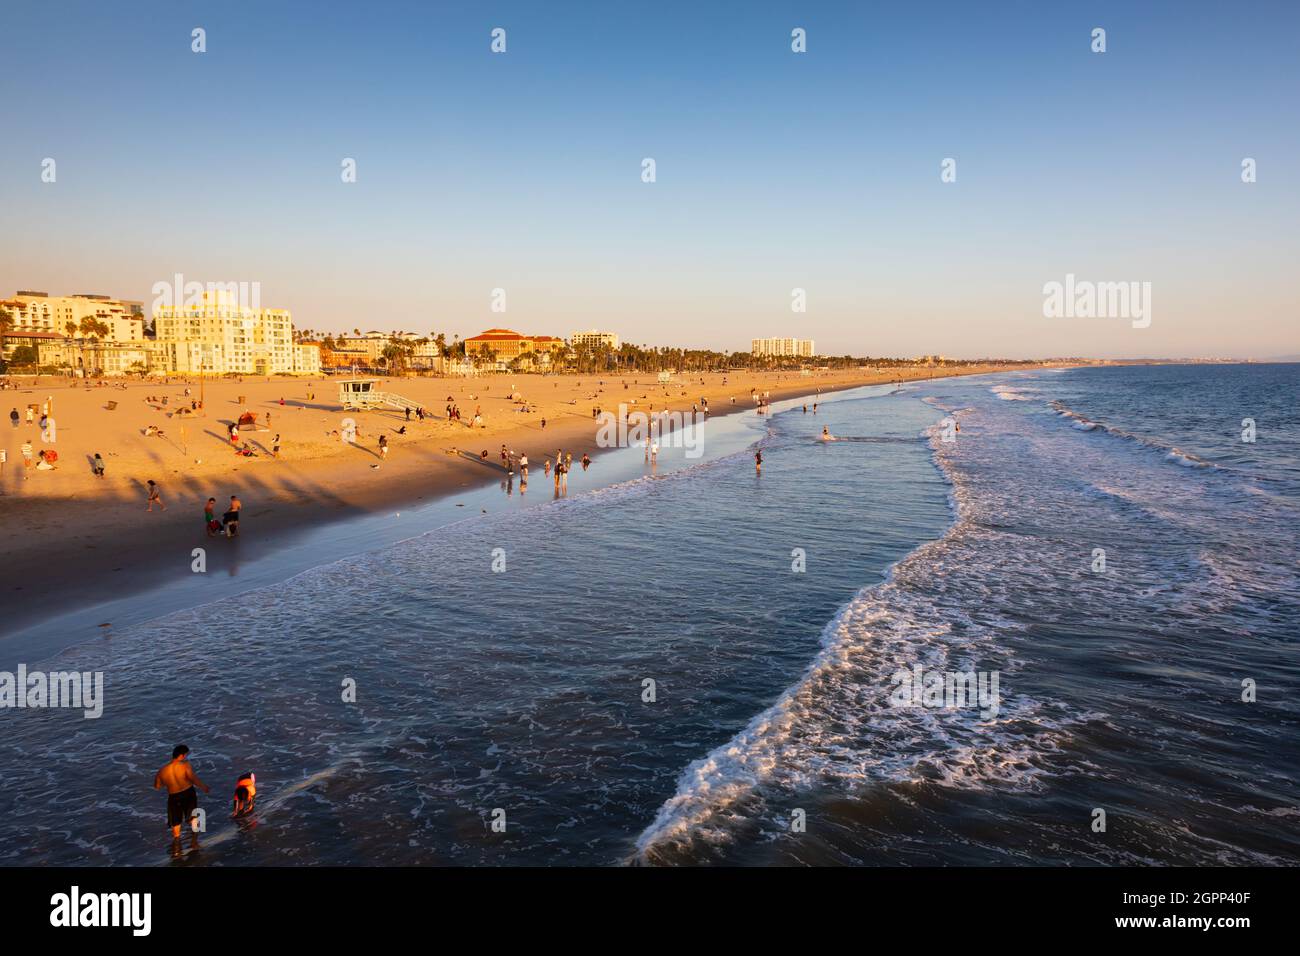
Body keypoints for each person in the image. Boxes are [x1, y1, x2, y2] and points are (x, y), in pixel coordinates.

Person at [153, 744, 210, 840]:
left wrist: (168, 782)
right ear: (182, 755)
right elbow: (192, 778)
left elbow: (157, 786)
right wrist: (203, 787)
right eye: (185, 755)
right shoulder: (185, 765)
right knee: (193, 817)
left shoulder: (162, 771)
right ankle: (195, 840)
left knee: (176, 822)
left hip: (173, 796)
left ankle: (176, 843)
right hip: (188, 793)